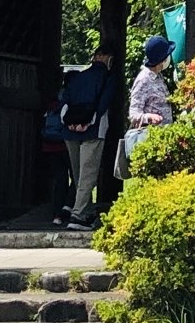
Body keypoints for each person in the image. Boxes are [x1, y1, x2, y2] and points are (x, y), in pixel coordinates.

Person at [56, 45, 115, 230]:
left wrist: (69, 122)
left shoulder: (78, 77)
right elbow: (103, 103)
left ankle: (85, 211)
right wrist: (89, 121)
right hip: (93, 129)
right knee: (88, 174)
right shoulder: (108, 78)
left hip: (70, 129)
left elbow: (64, 102)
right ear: (106, 58)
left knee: (77, 173)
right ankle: (78, 215)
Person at [116, 36, 174, 179]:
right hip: (150, 142)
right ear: (161, 59)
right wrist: (149, 117)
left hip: (164, 140)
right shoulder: (144, 80)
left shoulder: (158, 77)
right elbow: (133, 113)